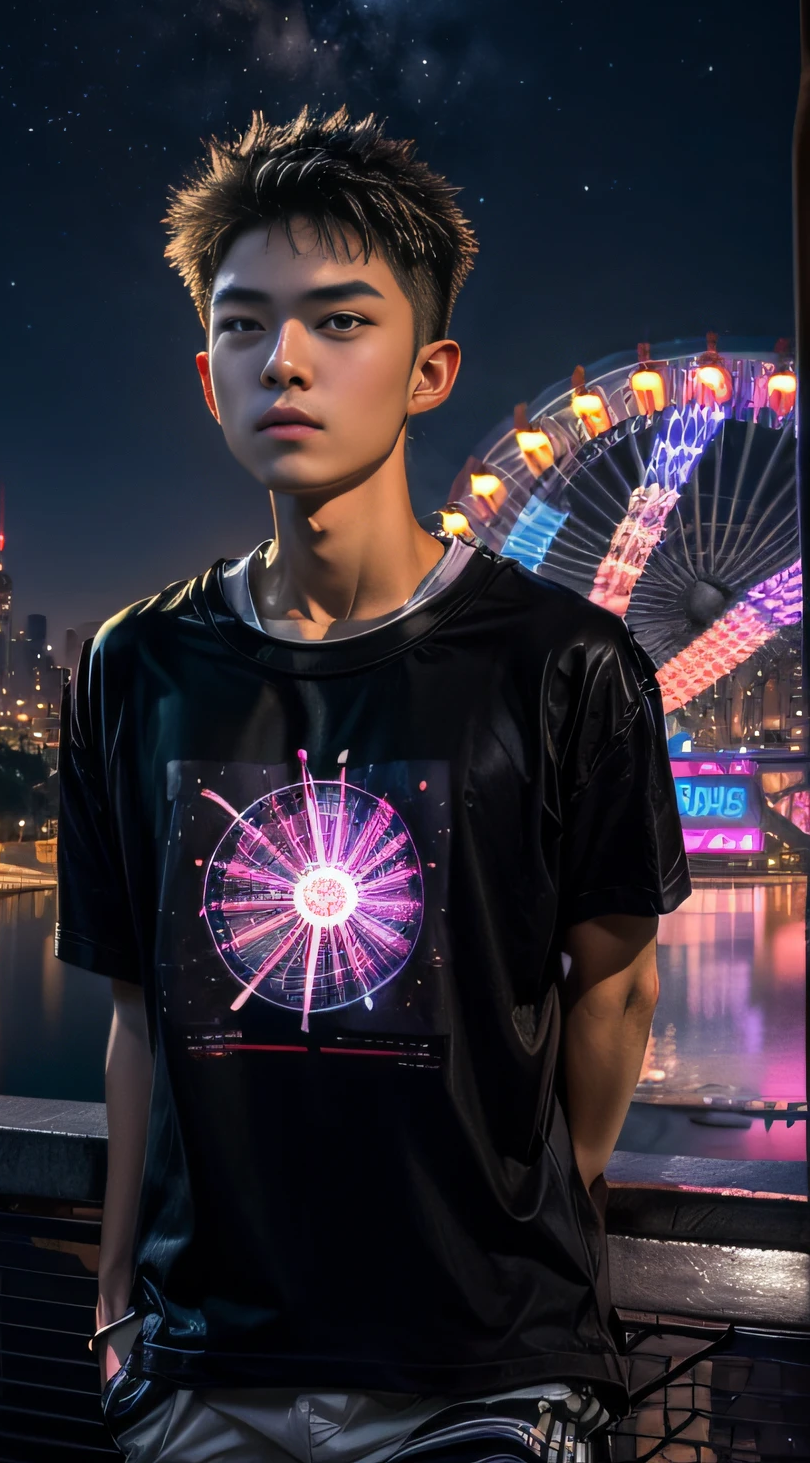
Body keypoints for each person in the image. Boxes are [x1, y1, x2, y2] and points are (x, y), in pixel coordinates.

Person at [55, 104, 692, 1463]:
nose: (284, 360)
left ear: (430, 368)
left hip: (487, 1375)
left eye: (341, 320)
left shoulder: (565, 664)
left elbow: (620, 984)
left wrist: (522, 1239)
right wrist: (119, 1302)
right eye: (243, 324)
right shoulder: (135, 667)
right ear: (205, 367)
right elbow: (134, 1016)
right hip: (199, 1367)